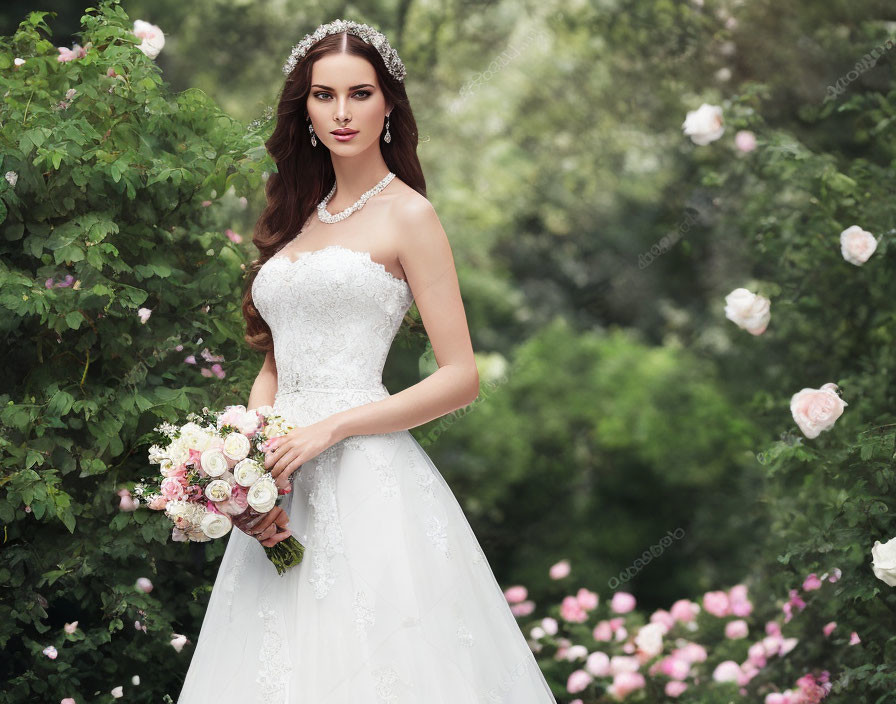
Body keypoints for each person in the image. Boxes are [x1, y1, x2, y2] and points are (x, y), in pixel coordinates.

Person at [176, 19, 558, 703]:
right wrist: (246, 469)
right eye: (324, 96)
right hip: (281, 492)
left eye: (360, 94)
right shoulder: (294, 216)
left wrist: (336, 427)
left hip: (368, 477)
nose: (342, 113)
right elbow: (273, 363)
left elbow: (460, 376)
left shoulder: (410, 216)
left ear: (388, 107)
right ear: (306, 109)